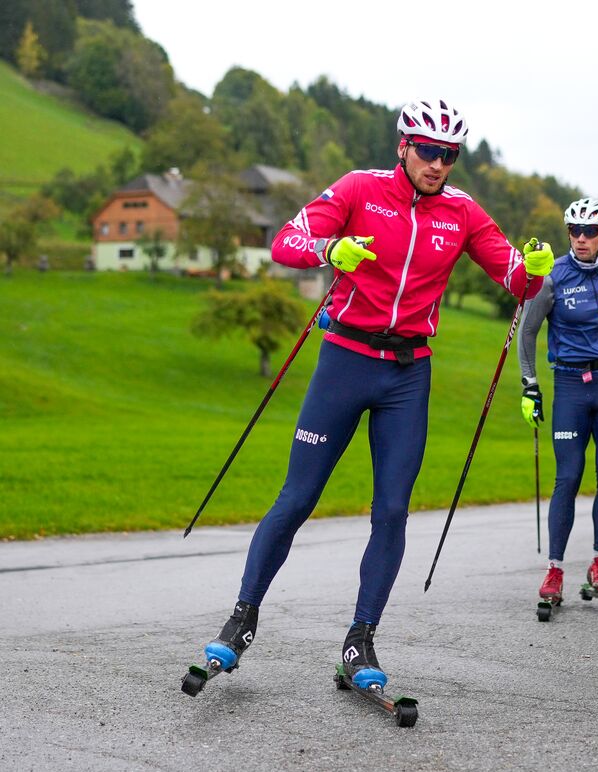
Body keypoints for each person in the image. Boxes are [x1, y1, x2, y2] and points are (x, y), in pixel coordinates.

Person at [194, 99, 554, 691]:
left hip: (407, 375)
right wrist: (327, 251)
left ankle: (360, 640)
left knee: (391, 510)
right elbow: (286, 242)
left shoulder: (462, 212)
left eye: (450, 155)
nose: (438, 164)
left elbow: (517, 281)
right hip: (345, 361)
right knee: (297, 497)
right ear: (403, 147)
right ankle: (242, 619)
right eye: (428, 151)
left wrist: (535, 269)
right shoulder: (359, 188)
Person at [518, 197, 598, 606]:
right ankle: (555, 569)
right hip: (571, 384)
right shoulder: (553, 277)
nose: (580, 238)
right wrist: (530, 385)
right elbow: (527, 331)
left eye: (589, 231)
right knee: (569, 476)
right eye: (574, 230)